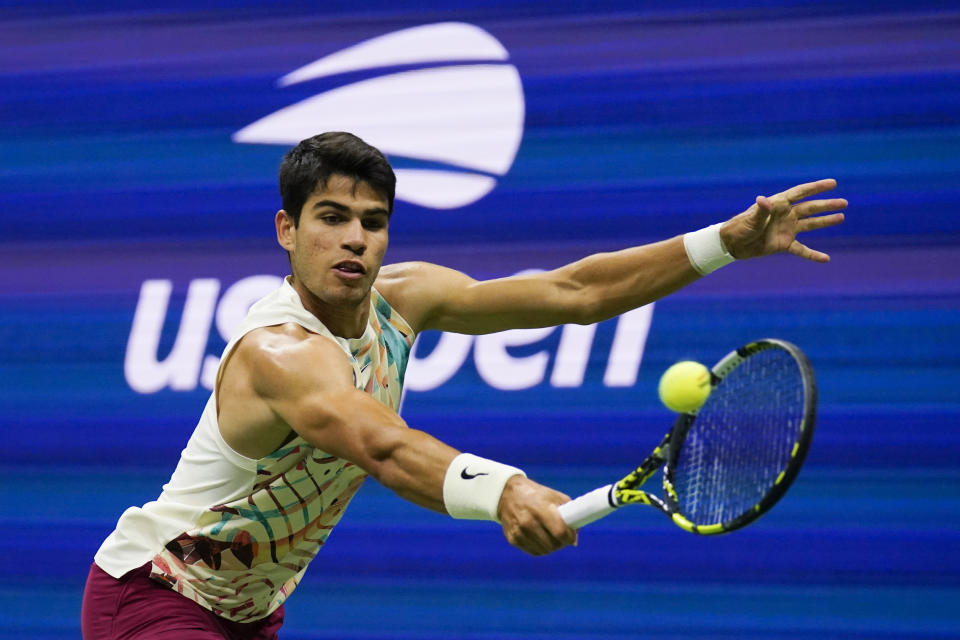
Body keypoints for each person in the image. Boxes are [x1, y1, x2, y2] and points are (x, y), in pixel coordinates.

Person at [81, 131, 846, 639]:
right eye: (331, 218)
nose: (355, 238)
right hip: (155, 595)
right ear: (287, 229)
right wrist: (504, 490)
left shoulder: (403, 301)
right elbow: (383, 446)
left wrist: (723, 244)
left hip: (252, 609)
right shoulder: (279, 353)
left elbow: (574, 293)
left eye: (372, 222)